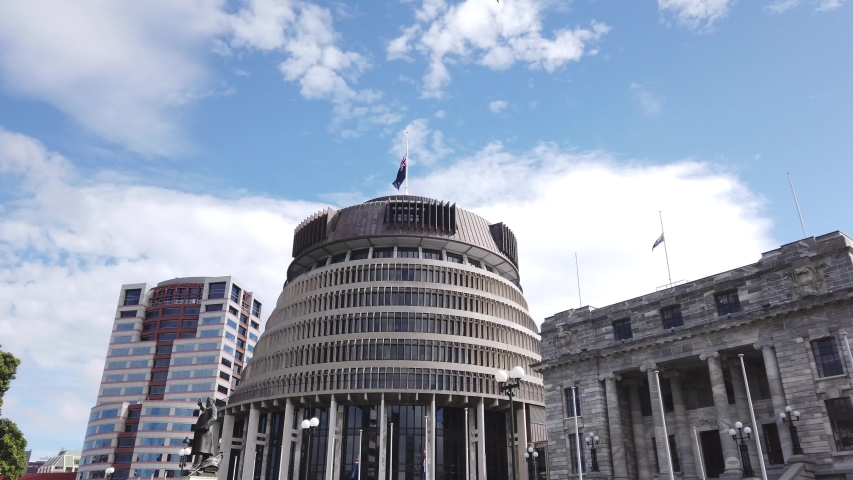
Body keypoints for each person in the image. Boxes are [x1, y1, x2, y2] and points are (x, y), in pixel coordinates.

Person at [191, 397, 218, 468]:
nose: (207, 402)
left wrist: (205, 427)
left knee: (201, 448)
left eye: (209, 401)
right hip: (202, 431)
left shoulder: (213, 408)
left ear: (213, 402)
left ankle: (196, 465)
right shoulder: (208, 409)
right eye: (207, 401)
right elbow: (205, 410)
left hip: (205, 432)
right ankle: (202, 465)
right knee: (202, 448)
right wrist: (201, 406)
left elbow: (214, 418)